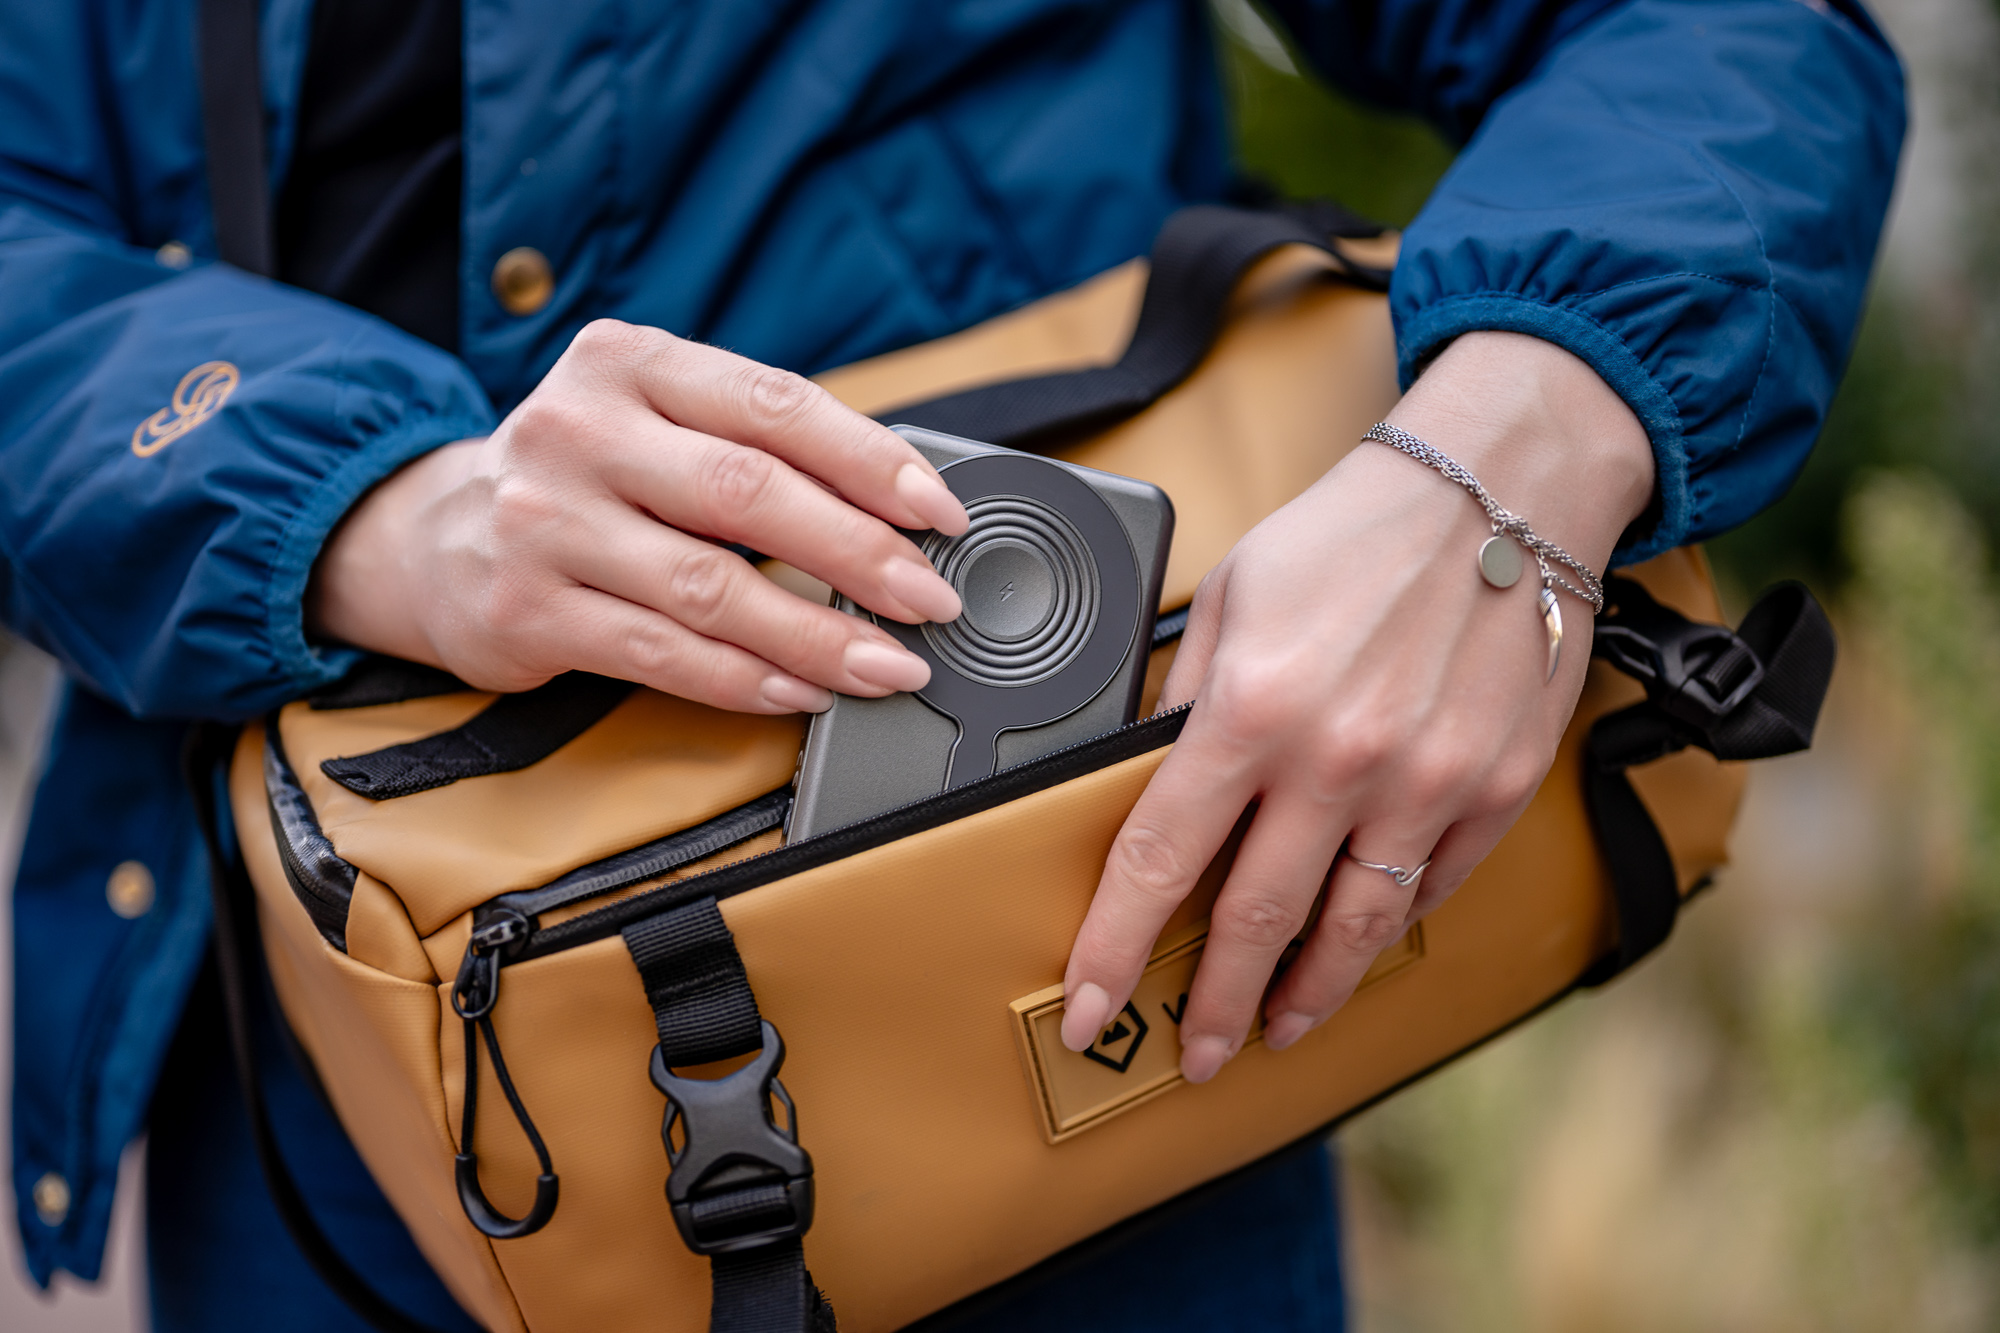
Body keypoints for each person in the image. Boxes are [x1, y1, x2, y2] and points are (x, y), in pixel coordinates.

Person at [0, 0, 1902, 1328]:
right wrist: (362, 498)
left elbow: (1724, 32)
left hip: (1072, 996)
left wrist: (1502, 457)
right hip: (334, 1070)